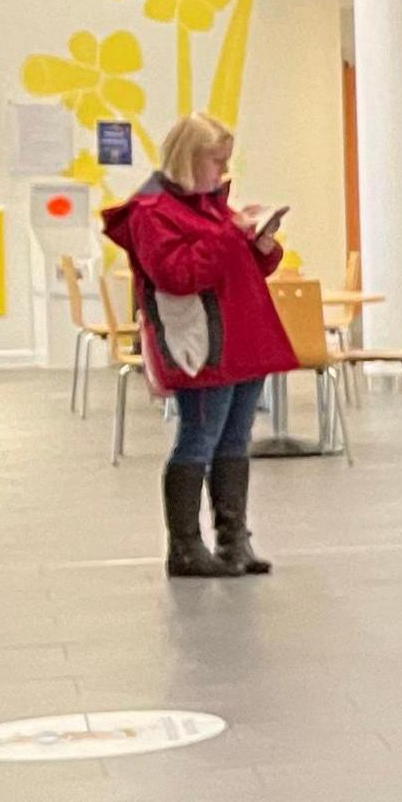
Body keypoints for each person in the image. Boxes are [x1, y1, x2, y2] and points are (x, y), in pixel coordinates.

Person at [100, 115, 295, 577]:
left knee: (235, 439)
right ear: (189, 157)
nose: (223, 170)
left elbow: (240, 269)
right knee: (198, 439)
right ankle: (185, 546)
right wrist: (230, 235)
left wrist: (261, 244)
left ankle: (233, 540)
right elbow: (178, 275)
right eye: (216, 160)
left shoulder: (209, 204)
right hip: (205, 344)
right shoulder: (150, 211)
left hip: (244, 341)